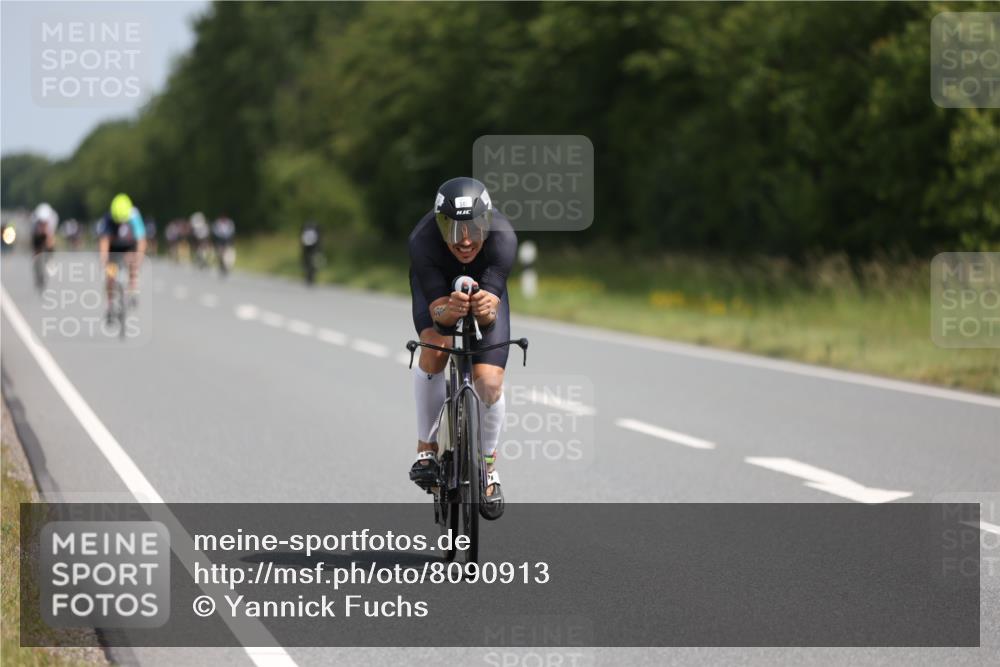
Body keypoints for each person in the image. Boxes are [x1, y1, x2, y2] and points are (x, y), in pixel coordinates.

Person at [407, 177, 516, 520]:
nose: (465, 241)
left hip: (485, 288)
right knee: (436, 348)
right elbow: (438, 316)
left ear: (487, 221)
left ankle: (488, 467)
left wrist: (487, 308)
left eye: (473, 229)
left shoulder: (503, 238)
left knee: (489, 382)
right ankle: (426, 448)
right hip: (437, 287)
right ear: (439, 226)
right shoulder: (422, 241)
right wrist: (447, 312)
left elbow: (490, 312)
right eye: (453, 231)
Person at [97, 193, 147, 311]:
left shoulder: (134, 216)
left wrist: (139, 258)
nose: (120, 223)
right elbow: (104, 241)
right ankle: (110, 304)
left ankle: (133, 289)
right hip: (113, 246)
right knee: (110, 274)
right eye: (117, 221)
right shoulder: (108, 218)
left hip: (129, 245)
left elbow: (141, 240)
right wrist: (103, 259)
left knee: (133, 262)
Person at [30, 203, 59, 289]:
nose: (42, 224)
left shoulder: (53, 219)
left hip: (48, 232)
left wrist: (48, 243)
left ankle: (50, 259)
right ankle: (37, 268)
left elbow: (51, 235)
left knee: (50, 242)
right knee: (37, 250)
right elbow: (33, 237)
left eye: (44, 222)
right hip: (36, 234)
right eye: (41, 222)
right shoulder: (34, 220)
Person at [300, 220, 320, 285]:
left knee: (308, 263)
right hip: (313, 249)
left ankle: (309, 278)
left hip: (307, 249)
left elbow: (302, 241)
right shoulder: (315, 230)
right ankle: (310, 278)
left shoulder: (305, 229)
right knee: (311, 263)